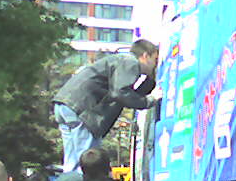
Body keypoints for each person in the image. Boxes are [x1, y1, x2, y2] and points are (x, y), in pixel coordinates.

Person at [53, 39, 159, 172]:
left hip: (65, 104)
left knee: (72, 162)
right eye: (155, 59)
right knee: (88, 161)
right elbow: (120, 93)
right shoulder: (130, 62)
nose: (156, 65)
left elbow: (128, 95)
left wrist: (151, 82)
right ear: (145, 56)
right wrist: (150, 100)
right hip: (83, 110)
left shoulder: (118, 60)